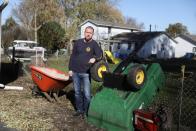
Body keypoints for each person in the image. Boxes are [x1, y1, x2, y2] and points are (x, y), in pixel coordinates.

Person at [68, 26, 102, 118]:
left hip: (86, 73)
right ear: (84, 33)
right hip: (75, 72)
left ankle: (86, 112)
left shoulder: (94, 44)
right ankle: (79, 110)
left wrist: (94, 58)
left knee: (87, 94)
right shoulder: (78, 42)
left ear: (92, 34)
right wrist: (70, 69)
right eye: (87, 32)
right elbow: (73, 56)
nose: (88, 34)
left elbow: (100, 55)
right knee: (77, 92)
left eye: (90, 33)